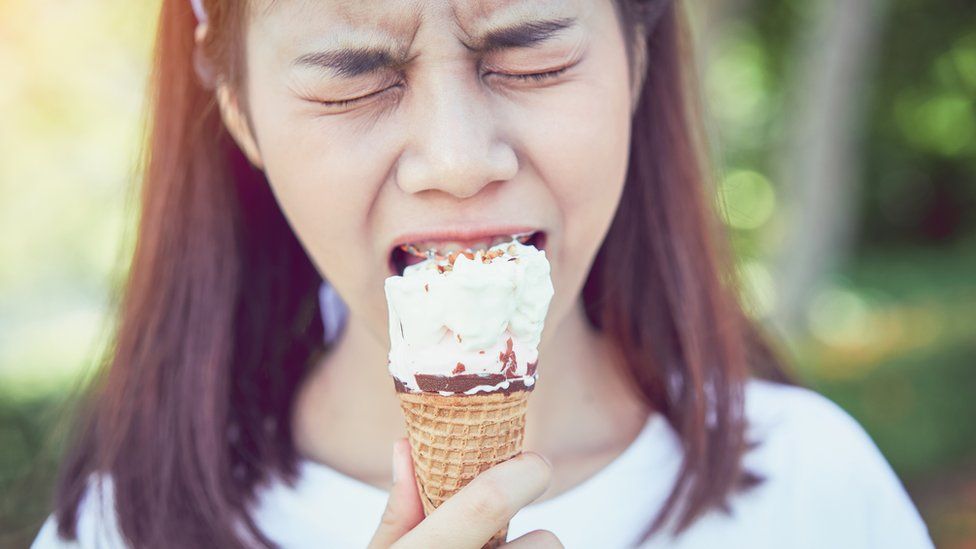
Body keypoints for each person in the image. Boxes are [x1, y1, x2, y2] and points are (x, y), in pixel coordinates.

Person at [32, 0, 935, 547]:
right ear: (237, 105)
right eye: (352, 79)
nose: (458, 160)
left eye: (530, 53)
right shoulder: (117, 532)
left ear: (636, 58)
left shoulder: (818, 489)